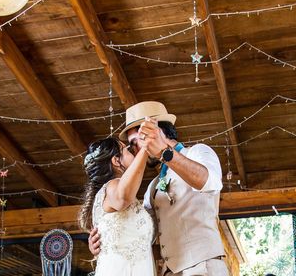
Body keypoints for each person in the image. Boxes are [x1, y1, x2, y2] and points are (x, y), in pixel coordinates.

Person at [89, 101, 227, 276]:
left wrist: (165, 152)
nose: (134, 150)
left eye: (134, 143)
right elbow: (143, 229)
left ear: (155, 132)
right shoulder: (153, 186)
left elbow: (210, 182)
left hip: (203, 267)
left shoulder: (197, 152)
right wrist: (105, 239)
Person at [78, 136, 154, 275]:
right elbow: (122, 198)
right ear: (116, 160)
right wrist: (145, 148)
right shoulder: (112, 186)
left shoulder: (109, 192)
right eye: (128, 150)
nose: (133, 153)